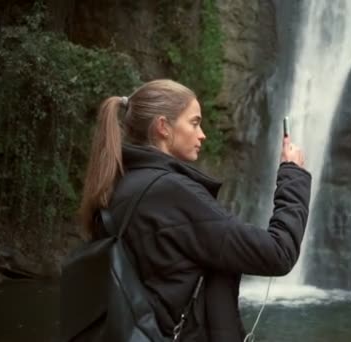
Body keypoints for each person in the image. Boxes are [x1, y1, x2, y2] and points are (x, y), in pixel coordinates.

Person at [79, 79, 311, 341]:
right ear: (163, 127)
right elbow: (278, 252)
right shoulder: (169, 193)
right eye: (194, 122)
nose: (203, 134)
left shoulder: (122, 185)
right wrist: (293, 175)